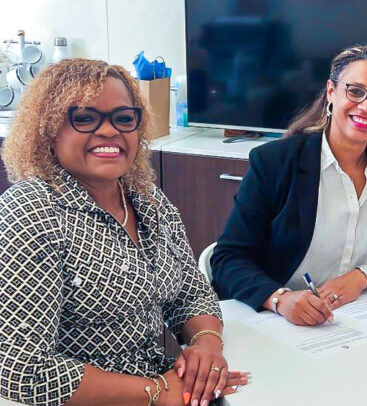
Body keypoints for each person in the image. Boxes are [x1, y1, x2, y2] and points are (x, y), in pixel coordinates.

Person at [0, 59, 248, 406]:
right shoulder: (30, 212)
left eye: (123, 118)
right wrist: (156, 392)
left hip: (163, 382)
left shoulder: (147, 199)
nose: (109, 130)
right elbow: (20, 370)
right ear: (49, 129)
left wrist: (206, 346)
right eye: (84, 117)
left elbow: (191, 294)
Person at [211, 45, 367, 326]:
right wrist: (280, 299)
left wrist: (363, 276)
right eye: (355, 91)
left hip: (366, 315)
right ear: (331, 91)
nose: (366, 106)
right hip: (281, 321)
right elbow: (228, 259)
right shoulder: (275, 161)